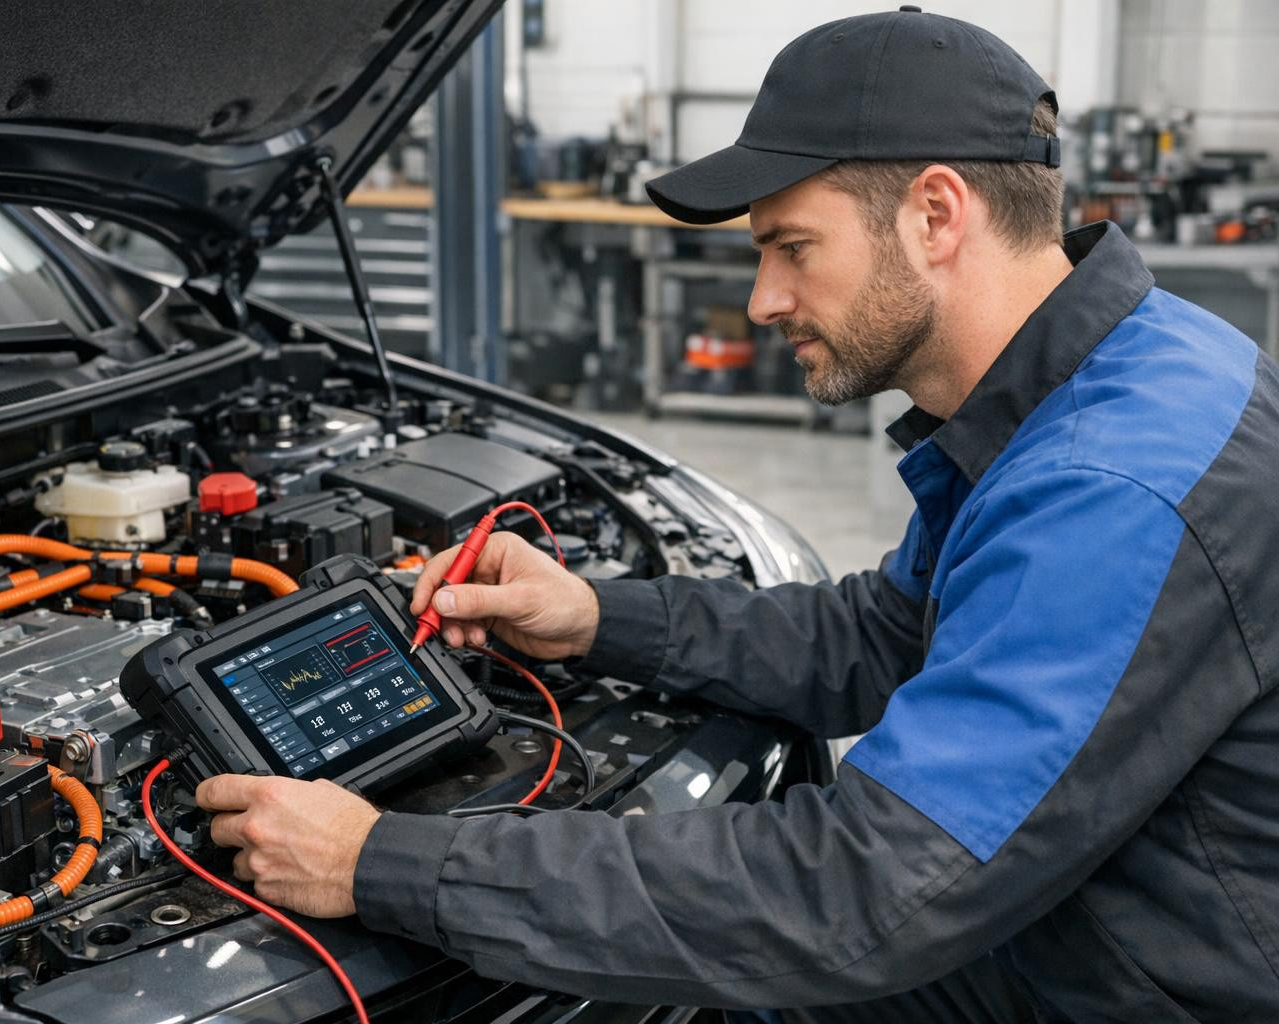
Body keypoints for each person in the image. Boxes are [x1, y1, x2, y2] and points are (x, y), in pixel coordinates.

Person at [193, 7, 1279, 1020]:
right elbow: (889, 636)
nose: (763, 298)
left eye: (790, 246)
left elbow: (859, 895)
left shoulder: (1110, 484)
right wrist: (595, 618)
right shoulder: (1104, 370)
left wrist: (382, 860)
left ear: (936, 215)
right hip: (1089, 917)